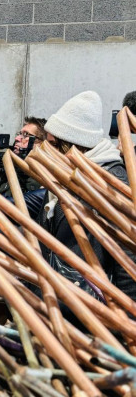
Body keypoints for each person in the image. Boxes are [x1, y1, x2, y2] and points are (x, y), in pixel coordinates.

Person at [39, 90, 136, 301]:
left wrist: (126, 322)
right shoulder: (60, 175)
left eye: (54, 145)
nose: (45, 150)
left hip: (96, 308)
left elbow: (127, 259)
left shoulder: (112, 181)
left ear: (72, 145)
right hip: (61, 300)